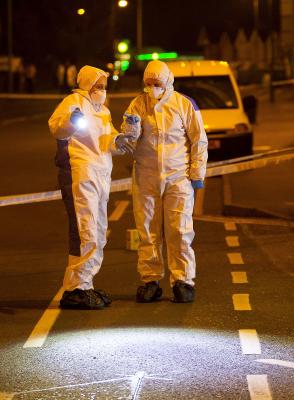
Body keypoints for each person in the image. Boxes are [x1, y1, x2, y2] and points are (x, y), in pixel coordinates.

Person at [121, 60, 208, 303]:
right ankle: (150, 280)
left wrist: (197, 174)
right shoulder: (138, 104)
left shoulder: (184, 104)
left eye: (156, 84)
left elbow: (199, 141)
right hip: (146, 176)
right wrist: (130, 130)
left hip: (178, 177)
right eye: (148, 84)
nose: (152, 88)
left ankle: (183, 280)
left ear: (168, 82)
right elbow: (127, 141)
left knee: (179, 230)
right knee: (147, 230)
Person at [48, 65, 131, 309]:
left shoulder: (102, 111)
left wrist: (118, 139)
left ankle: (85, 284)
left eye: (104, 87)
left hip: (101, 176)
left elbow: (105, 140)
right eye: (98, 87)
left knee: (97, 231)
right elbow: (56, 128)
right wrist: (71, 122)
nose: (102, 91)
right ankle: (77, 288)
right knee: (85, 232)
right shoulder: (73, 102)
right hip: (80, 174)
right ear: (86, 85)